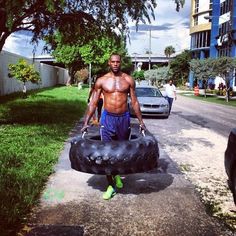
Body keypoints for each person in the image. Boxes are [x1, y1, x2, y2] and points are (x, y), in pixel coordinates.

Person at [81, 53, 146, 200]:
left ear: (120, 63)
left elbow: (134, 102)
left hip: (124, 119)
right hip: (107, 119)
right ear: (109, 63)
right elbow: (93, 103)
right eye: (113, 62)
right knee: (107, 153)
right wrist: (86, 122)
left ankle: (116, 174)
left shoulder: (128, 80)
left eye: (118, 62)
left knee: (121, 152)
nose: (115, 64)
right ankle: (111, 185)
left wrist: (141, 122)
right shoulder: (101, 81)